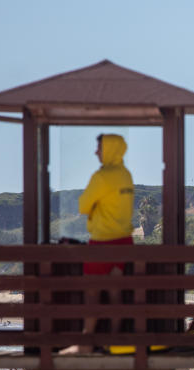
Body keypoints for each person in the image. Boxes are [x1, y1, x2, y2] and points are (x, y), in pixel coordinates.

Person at [62, 133, 134, 355]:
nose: (96, 152)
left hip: (102, 240)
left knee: (92, 293)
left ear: (109, 149)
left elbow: (83, 205)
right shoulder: (126, 175)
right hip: (124, 241)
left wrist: (94, 207)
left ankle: (85, 343)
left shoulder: (102, 177)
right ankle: (114, 341)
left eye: (99, 148)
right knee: (115, 293)